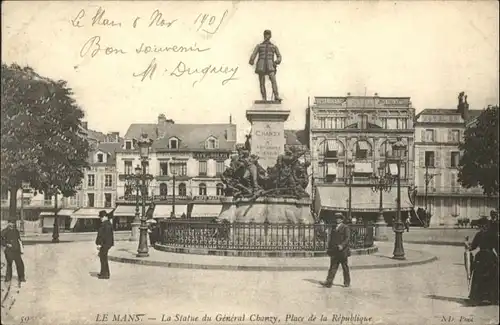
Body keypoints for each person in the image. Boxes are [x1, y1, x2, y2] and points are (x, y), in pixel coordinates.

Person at [466, 216, 499, 305]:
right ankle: (487, 298)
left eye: (482, 225)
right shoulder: (488, 234)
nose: (481, 227)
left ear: (485, 225)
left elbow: (473, 247)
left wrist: (468, 247)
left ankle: (482, 298)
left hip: (484, 257)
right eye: (481, 226)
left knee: (483, 277)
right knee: (488, 277)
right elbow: (474, 246)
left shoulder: (484, 234)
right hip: (488, 257)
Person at [249, 29, 282, 101]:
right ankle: (264, 98)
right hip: (261, 65)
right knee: (262, 82)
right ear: (264, 35)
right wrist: (252, 59)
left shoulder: (274, 47)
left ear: (270, 36)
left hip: (270, 66)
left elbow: (279, 56)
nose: (267, 36)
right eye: (265, 34)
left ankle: (276, 96)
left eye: (268, 34)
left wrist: (277, 61)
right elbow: (254, 54)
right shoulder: (259, 46)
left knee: (273, 80)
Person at [321, 212, 351, 288]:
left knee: (345, 267)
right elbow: (331, 239)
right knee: (333, 267)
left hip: (342, 251)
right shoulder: (334, 227)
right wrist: (329, 248)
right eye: (336, 218)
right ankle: (329, 282)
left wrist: (342, 245)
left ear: (342, 220)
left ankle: (347, 282)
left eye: (339, 218)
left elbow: (347, 238)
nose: (337, 220)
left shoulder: (345, 227)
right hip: (334, 250)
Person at [95, 210, 114, 280]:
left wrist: (100, 244)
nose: (101, 218)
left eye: (102, 217)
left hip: (105, 244)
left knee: (103, 258)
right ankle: (104, 273)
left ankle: (105, 274)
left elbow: (104, 236)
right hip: (106, 244)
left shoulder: (106, 224)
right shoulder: (107, 223)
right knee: (103, 258)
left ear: (105, 217)